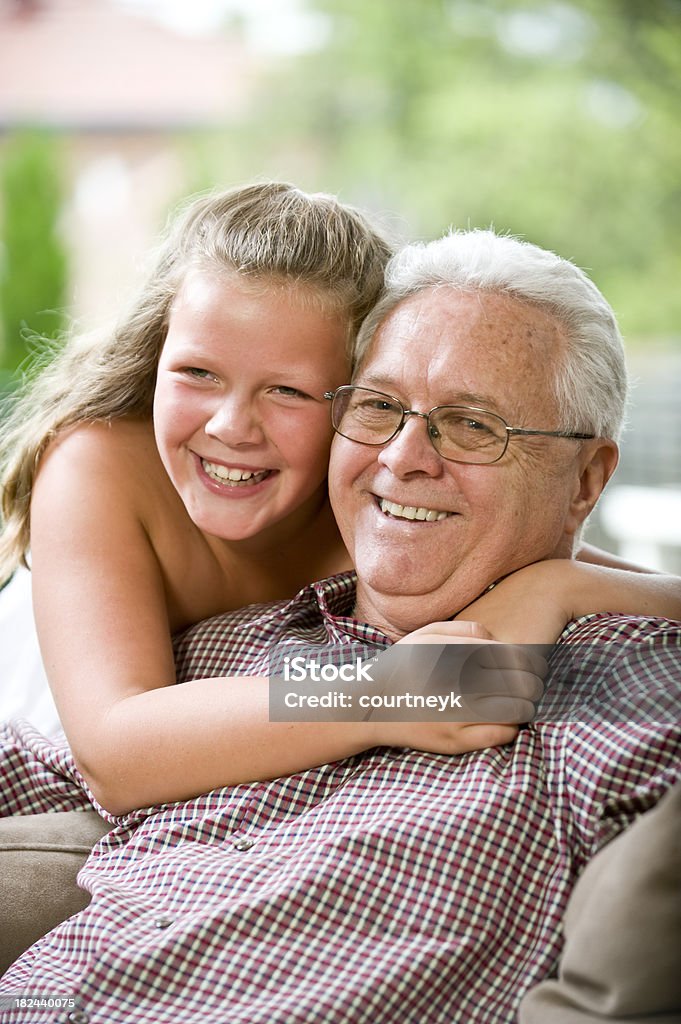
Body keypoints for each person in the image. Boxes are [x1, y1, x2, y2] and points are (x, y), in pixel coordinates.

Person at [0, 229, 678, 1022]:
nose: (402, 458)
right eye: (381, 406)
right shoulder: (244, 644)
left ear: (585, 480)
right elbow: (96, 755)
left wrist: (558, 589)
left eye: (472, 426)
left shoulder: (619, 690)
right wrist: (399, 688)